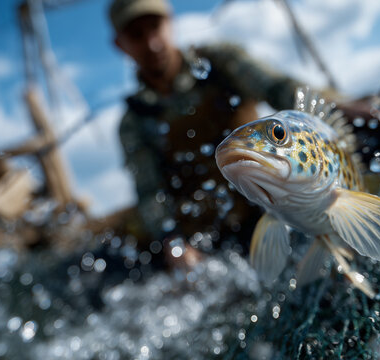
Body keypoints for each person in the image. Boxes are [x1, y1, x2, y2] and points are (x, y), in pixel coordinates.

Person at [109, 0, 308, 255]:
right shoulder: (133, 123)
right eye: (136, 35)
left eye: (155, 27)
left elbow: (281, 90)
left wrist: (339, 110)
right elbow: (149, 193)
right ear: (119, 45)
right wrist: (174, 244)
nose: (152, 43)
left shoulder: (221, 63)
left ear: (171, 23)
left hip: (277, 206)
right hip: (211, 242)